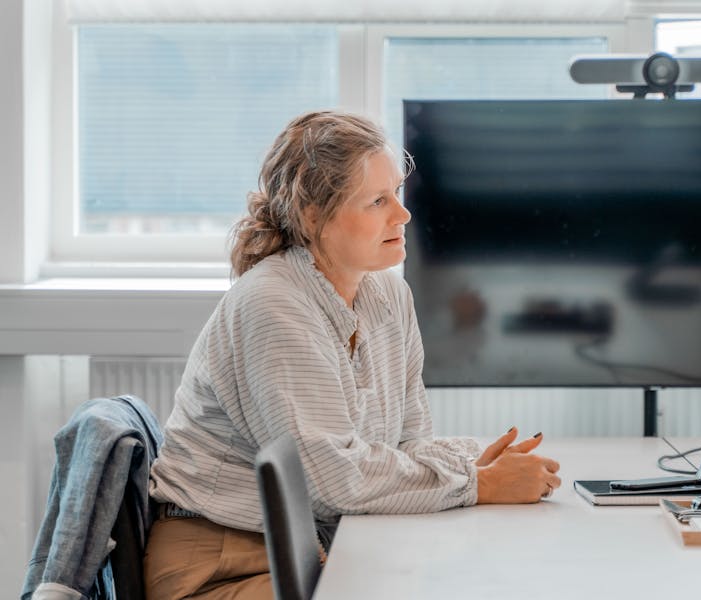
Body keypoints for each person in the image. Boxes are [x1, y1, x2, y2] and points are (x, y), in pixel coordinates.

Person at [143, 110, 561, 599]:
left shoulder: (388, 295)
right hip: (221, 565)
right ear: (312, 215)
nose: (402, 215)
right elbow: (329, 479)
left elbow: (407, 443)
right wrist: (479, 483)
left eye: (397, 194)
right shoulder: (274, 303)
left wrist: (477, 463)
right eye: (377, 201)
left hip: (310, 546)